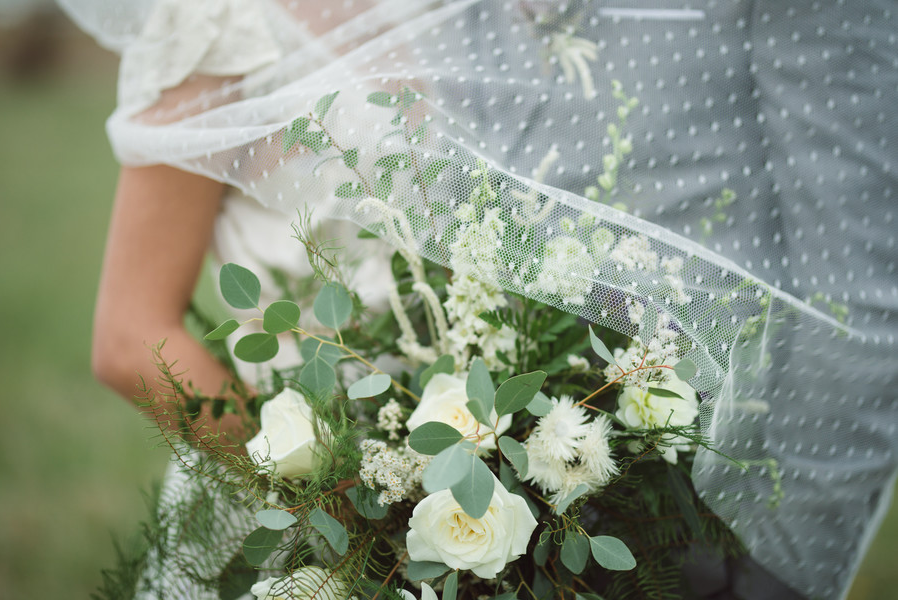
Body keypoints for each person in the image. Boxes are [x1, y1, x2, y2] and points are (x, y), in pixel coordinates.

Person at [60, 1, 897, 599]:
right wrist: (353, 516)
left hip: (495, 485)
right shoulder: (210, 19)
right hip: (303, 502)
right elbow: (131, 336)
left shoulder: (472, 13)